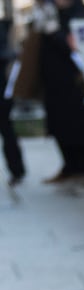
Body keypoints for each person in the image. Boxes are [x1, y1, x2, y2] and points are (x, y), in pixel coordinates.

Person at [38, 0, 84, 192]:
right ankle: (70, 168)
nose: (57, 0)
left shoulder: (81, 16)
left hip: (77, 86)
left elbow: (74, 47)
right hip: (56, 86)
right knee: (61, 128)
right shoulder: (55, 15)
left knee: (82, 130)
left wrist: (55, 34)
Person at [1, 18, 24, 187]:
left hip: (3, 89)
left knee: (6, 129)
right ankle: (17, 170)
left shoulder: (5, 29)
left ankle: (17, 170)